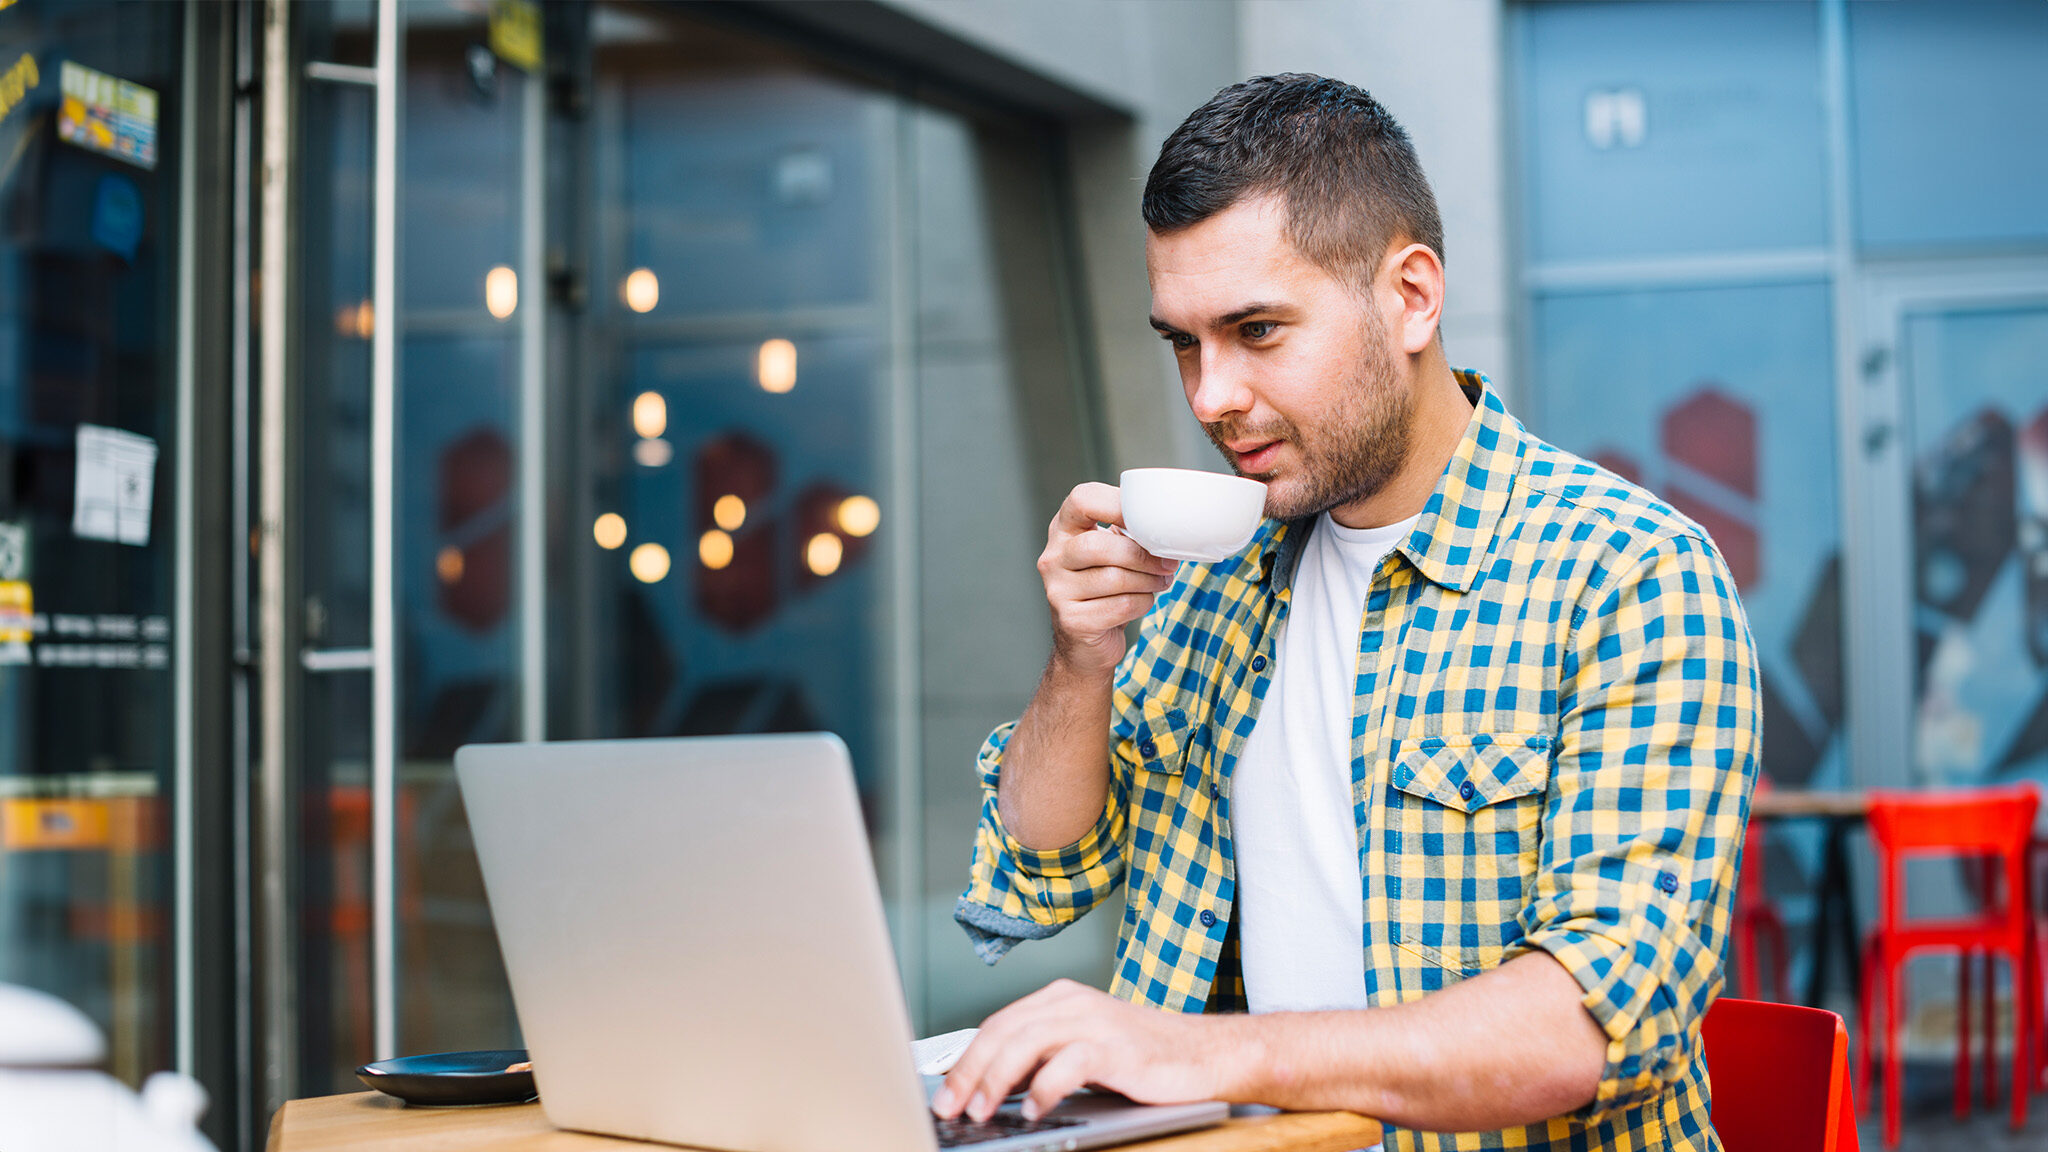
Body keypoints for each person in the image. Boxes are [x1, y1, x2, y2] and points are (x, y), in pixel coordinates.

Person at [932, 74, 1760, 1151]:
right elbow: (1041, 866)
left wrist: (1208, 1051)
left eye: (1256, 330)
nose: (1207, 397)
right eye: (1182, 341)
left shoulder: (1629, 577)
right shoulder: (1216, 582)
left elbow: (1584, 1029)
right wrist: (1079, 661)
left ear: (1411, 296)